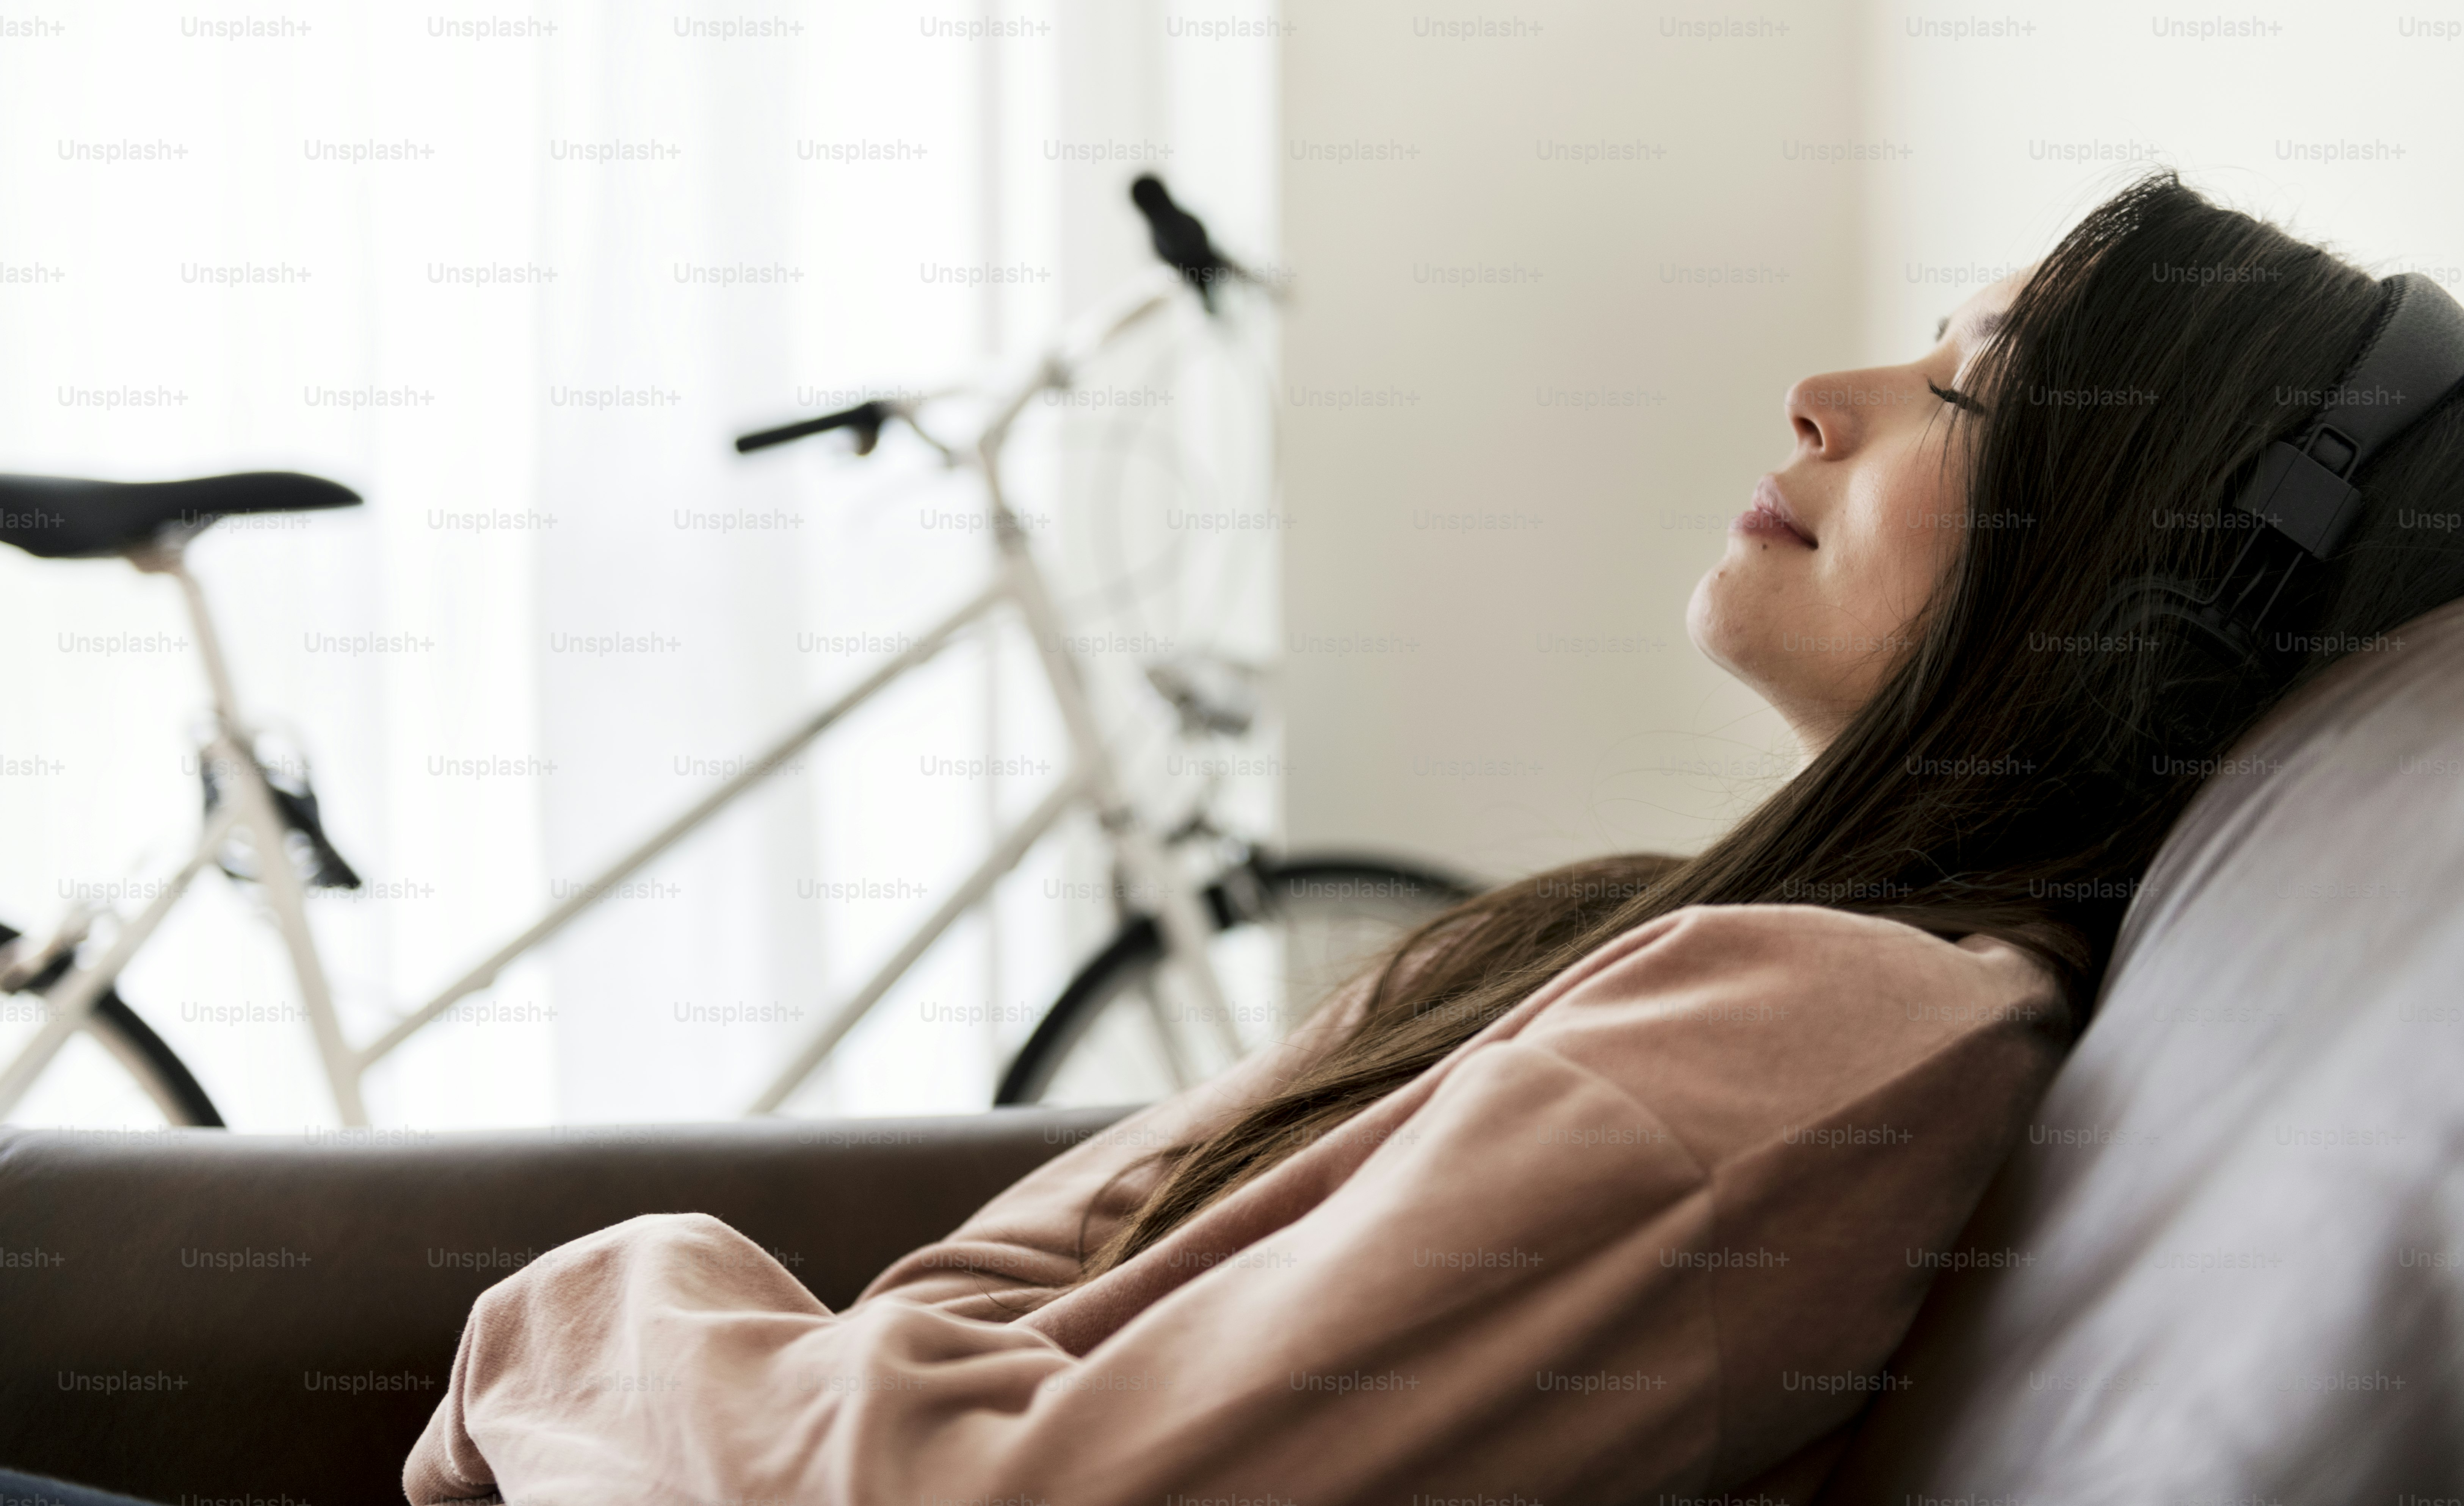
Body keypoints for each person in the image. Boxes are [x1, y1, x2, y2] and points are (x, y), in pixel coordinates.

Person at [402, 174, 2464, 1505]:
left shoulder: (1811, 1027)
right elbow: (974, 1299)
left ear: (2156, 591)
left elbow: (951, 1485)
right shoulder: (1626, 935)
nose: (1822, 394)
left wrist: (588, 1306)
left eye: (1974, 388)